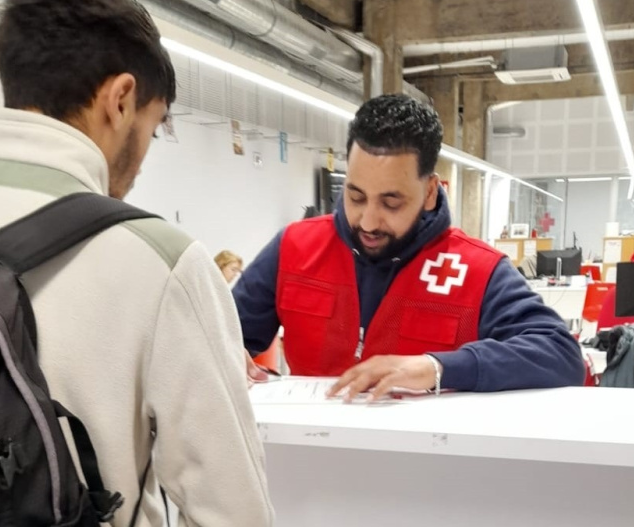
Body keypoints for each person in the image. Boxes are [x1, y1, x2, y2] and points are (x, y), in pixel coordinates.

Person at [0, 0, 272, 525]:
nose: (142, 162)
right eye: (153, 128)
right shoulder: (161, 262)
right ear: (120, 100)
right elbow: (233, 512)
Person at [235, 94, 584, 401]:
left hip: (422, 455)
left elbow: (561, 354)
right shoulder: (295, 247)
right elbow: (220, 333)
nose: (368, 222)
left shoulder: (477, 271)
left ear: (430, 192)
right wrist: (229, 356)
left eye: (391, 203)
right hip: (306, 449)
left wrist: (438, 367)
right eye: (355, 197)